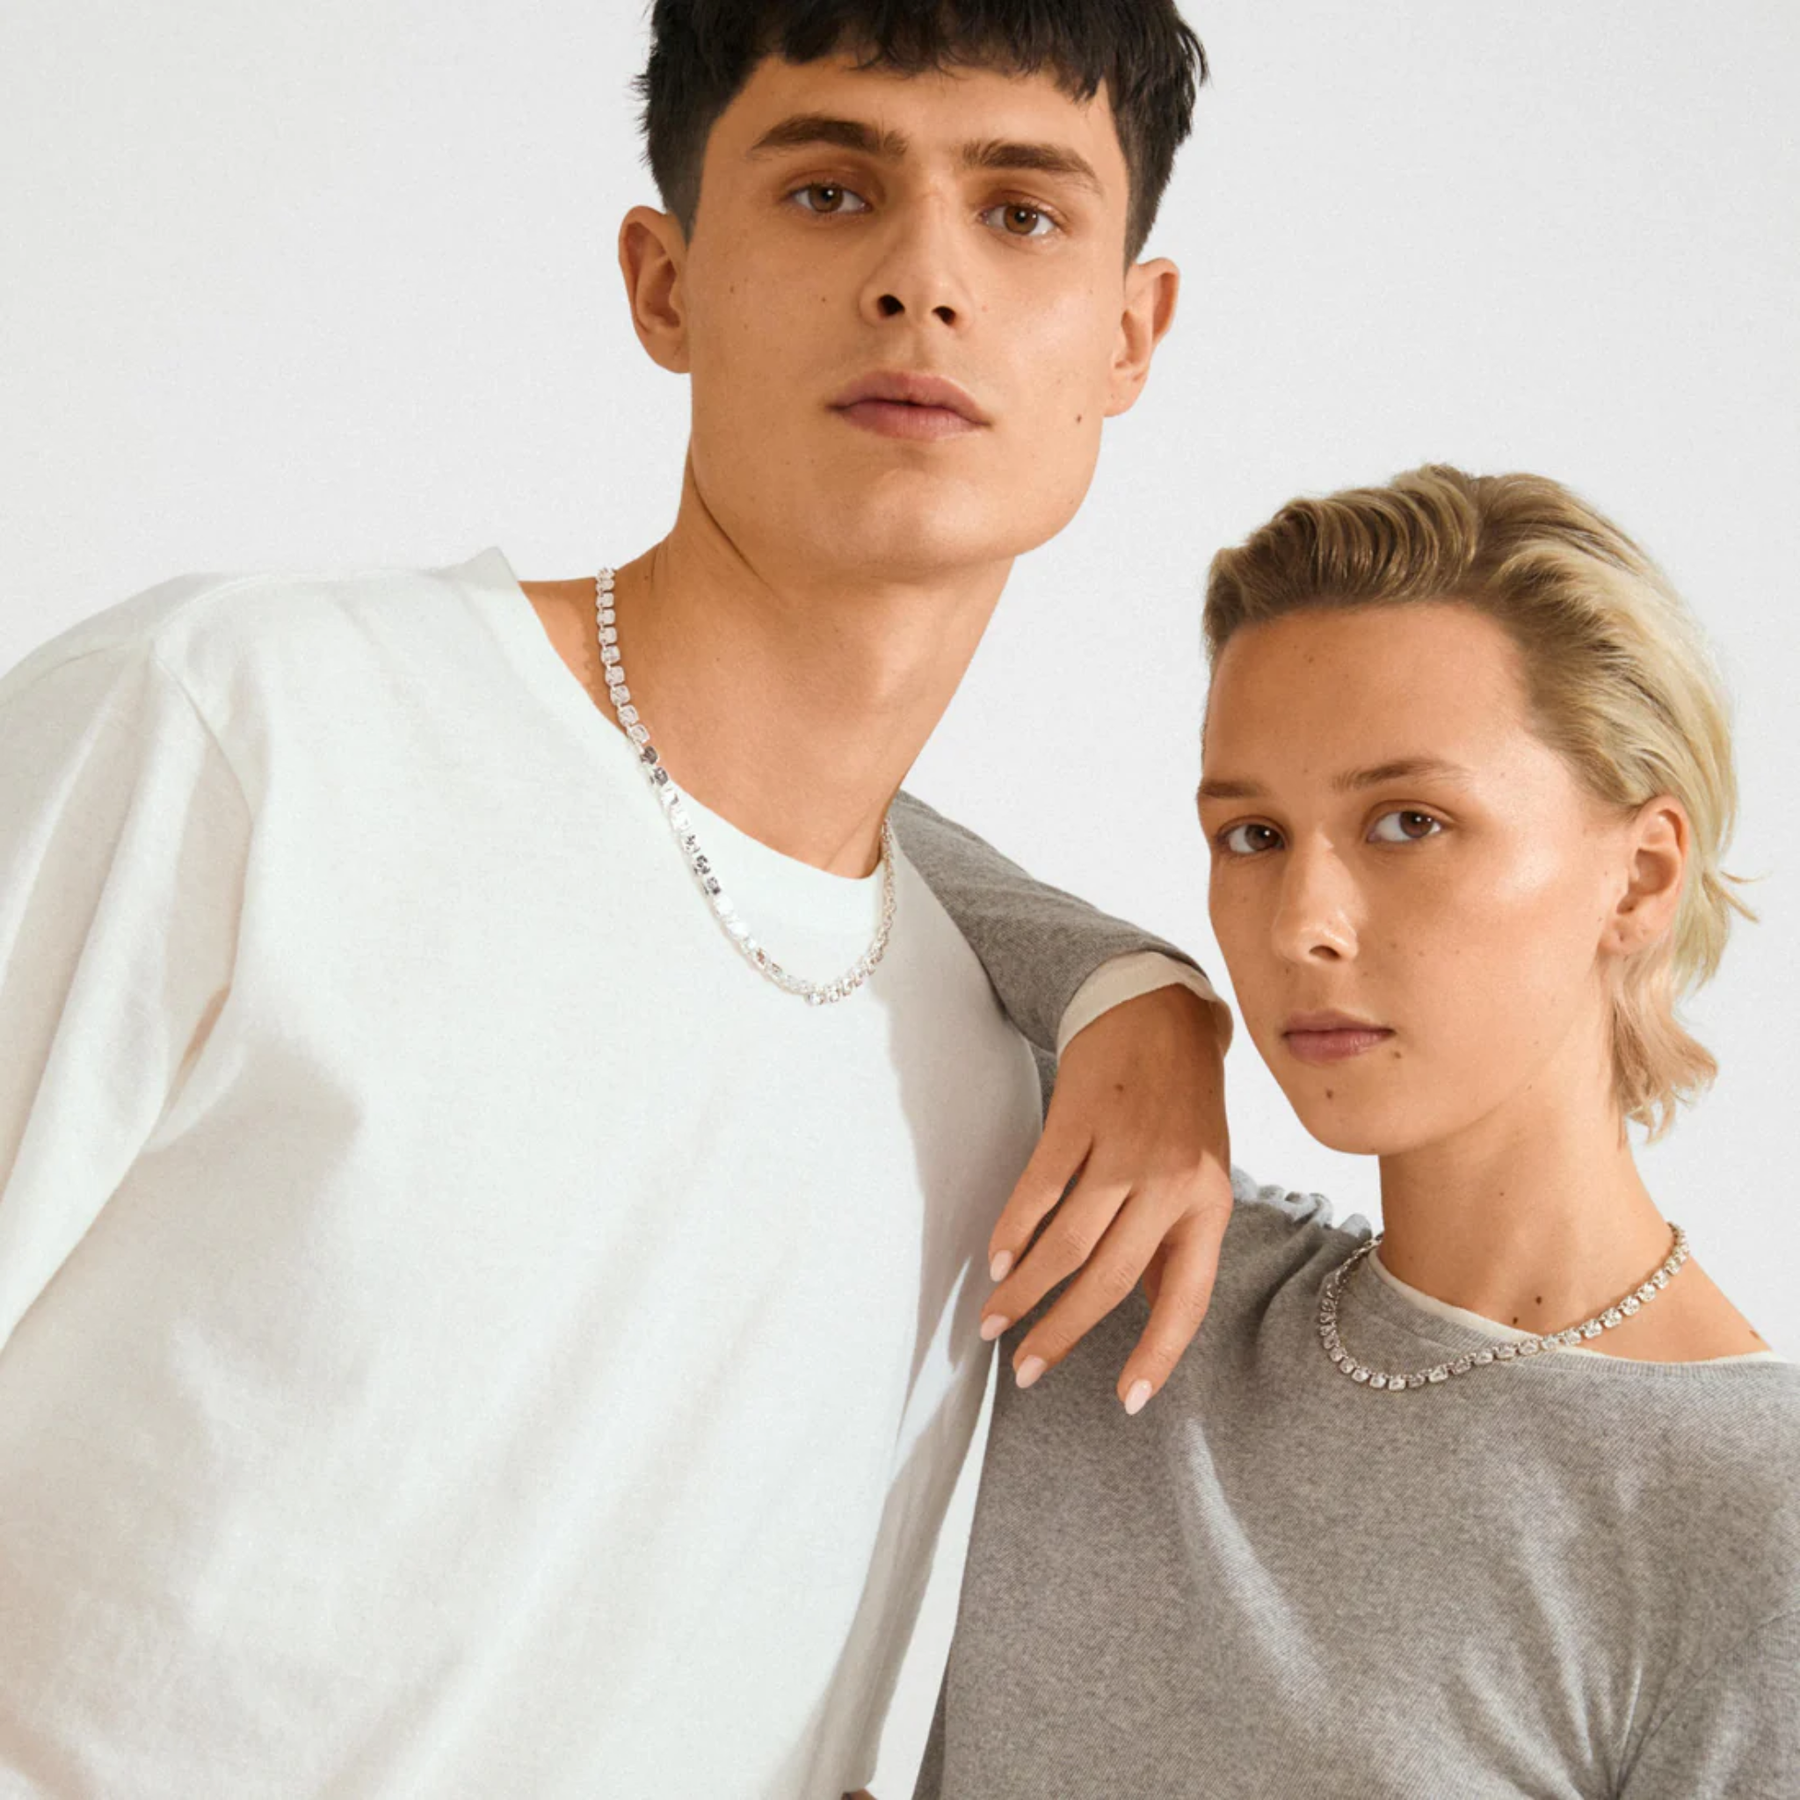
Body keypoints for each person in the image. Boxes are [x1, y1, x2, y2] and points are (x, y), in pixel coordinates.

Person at [0, 3, 1239, 1796]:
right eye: (830, 190)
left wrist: (1149, 983)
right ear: (666, 284)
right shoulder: (244, 729)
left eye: (1023, 212)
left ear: (1129, 335)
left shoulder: (987, 1098)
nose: (923, 279)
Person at [917, 466, 1800, 1798]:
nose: (1301, 925)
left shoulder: (1748, 1514)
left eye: (1408, 823)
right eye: (1253, 834)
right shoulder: (1128, 1254)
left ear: (1642, 873)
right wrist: (1134, 997)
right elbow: (753, 783)